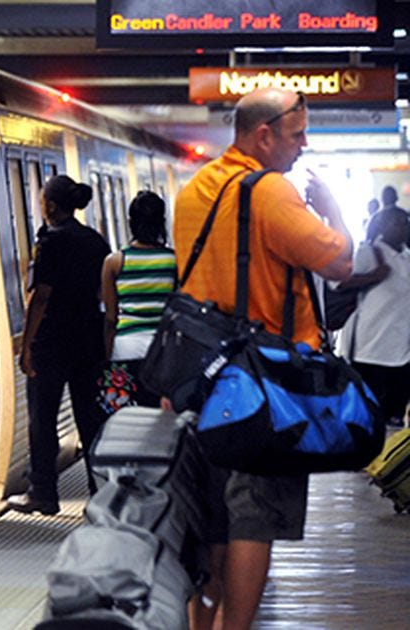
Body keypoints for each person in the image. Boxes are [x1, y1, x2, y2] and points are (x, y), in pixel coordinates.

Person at [173, 88, 352, 630]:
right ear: (264, 135)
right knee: (254, 518)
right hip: (264, 382)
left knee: (209, 520)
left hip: (202, 375)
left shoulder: (196, 189)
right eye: (297, 135)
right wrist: (331, 209)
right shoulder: (270, 191)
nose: (304, 145)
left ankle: (201, 626)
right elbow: (340, 262)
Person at [8, 174, 110, 516]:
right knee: (91, 420)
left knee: (43, 419)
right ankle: (100, 493)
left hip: (51, 343)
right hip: (89, 341)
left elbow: (41, 297)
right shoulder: (95, 241)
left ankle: (43, 493)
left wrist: (27, 346)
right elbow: (103, 293)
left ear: (50, 206)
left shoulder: (49, 242)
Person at [96, 190, 175, 416]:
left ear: (131, 222)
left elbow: (111, 318)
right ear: (161, 222)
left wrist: (108, 357)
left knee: (130, 416)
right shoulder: (175, 260)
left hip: (126, 347)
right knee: (162, 416)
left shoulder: (114, 262)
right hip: (163, 348)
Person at [337, 208, 410, 428]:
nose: (405, 226)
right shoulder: (368, 253)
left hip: (402, 352)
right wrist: (372, 277)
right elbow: (339, 282)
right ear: (384, 225)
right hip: (371, 350)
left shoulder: (406, 256)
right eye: (399, 222)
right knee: (369, 413)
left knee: (395, 416)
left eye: (406, 222)